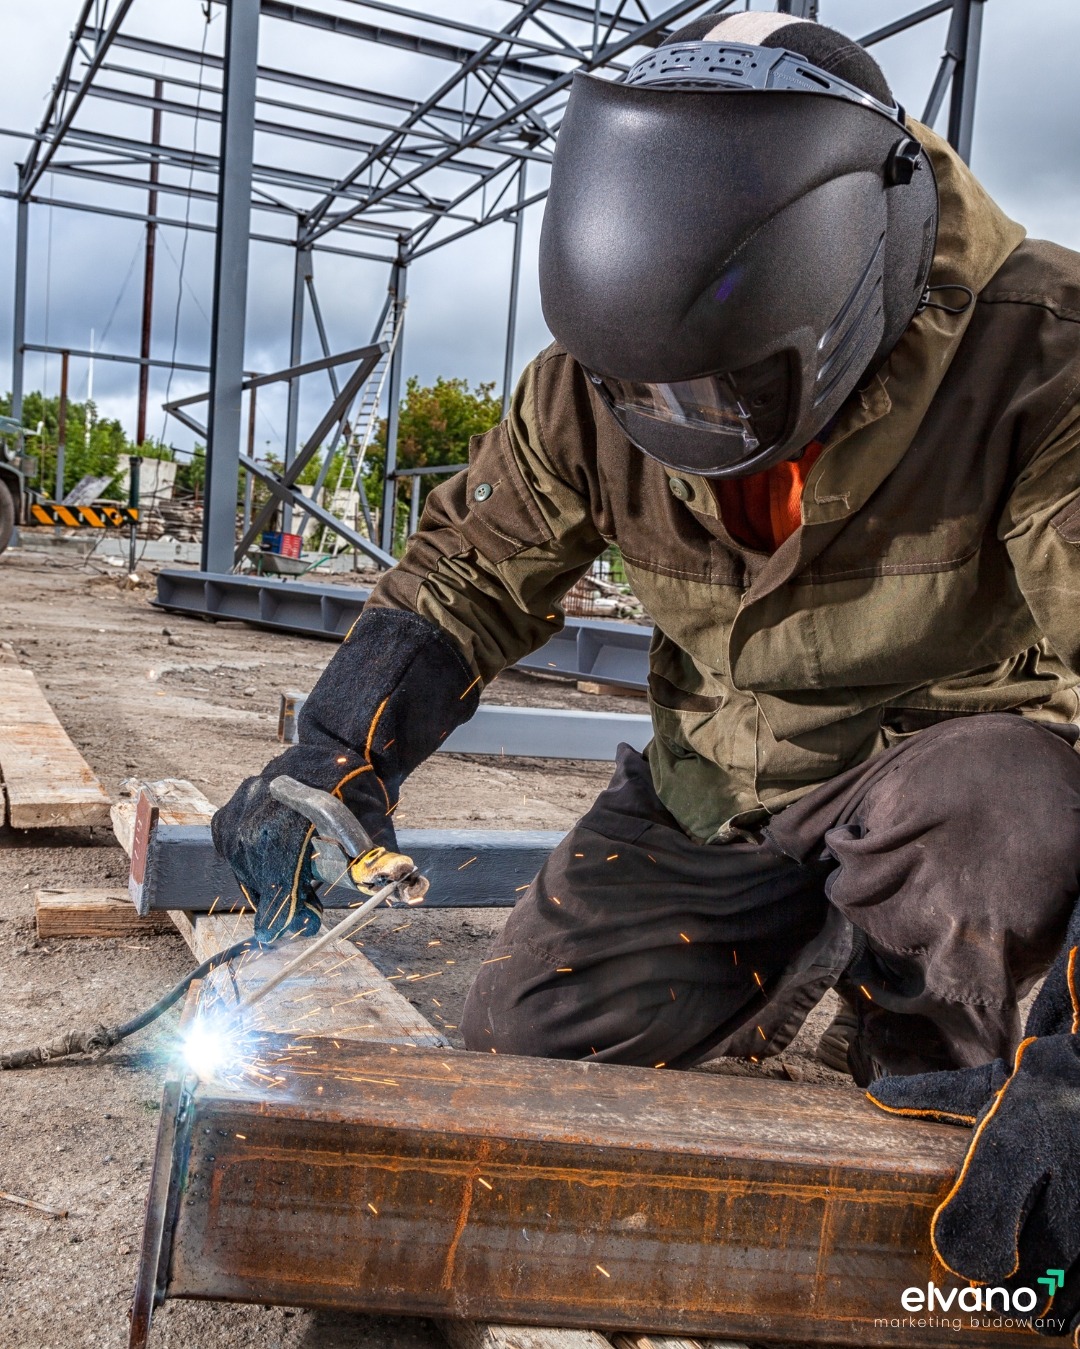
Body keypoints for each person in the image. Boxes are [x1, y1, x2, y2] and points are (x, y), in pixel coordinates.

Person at [213, 11, 1080, 1331]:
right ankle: (774, 972)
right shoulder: (589, 383)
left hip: (949, 779)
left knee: (1002, 823)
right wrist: (339, 747)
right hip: (720, 783)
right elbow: (467, 574)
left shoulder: (1044, 356)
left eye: (725, 401)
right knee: (514, 1052)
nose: (682, 437)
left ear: (850, 277)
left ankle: (928, 1123)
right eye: (643, 395)